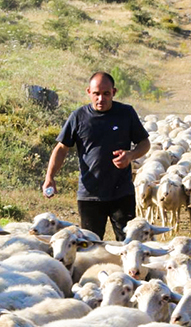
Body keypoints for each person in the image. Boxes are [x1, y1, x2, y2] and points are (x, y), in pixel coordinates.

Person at [42, 72, 150, 241]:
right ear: (88, 92)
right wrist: (50, 177)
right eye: (96, 94)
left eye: (106, 94)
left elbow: (145, 143)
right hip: (90, 194)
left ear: (114, 92)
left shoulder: (126, 113)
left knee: (129, 243)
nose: (101, 98)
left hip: (121, 193)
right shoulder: (78, 117)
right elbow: (62, 148)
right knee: (91, 245)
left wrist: (130, 155)